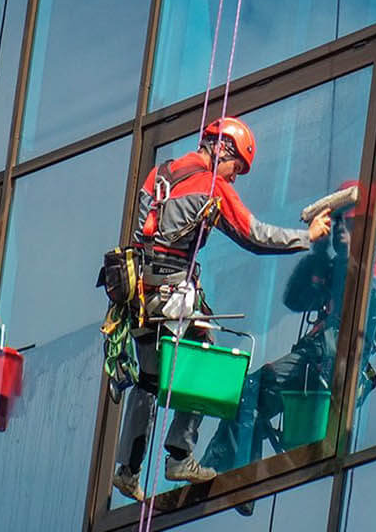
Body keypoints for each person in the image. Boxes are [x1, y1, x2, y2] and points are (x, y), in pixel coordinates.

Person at [109, 117, 333, 502]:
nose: (235, 178)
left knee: (149, 379)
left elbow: (144, 229)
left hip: (137, 294)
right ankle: (179, 453)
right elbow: (254, 234)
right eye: (237, 168)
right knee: (206, 358)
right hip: (171, 291)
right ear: (223, 150)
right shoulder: (212, 186)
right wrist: (305, 237)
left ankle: (127, 470)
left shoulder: (160, 174)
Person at [199, 195, 376, 481]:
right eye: (336, 223)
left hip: (332, 356)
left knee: (254, 390)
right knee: (250, 392)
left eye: (347, 223)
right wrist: (318, 255)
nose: (339, 229)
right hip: (316, 355)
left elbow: (372, 293)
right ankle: (234, 471)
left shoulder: (372, 263)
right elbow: (295, 298)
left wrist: (344, 264)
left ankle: (230, 471)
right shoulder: (333, 268)